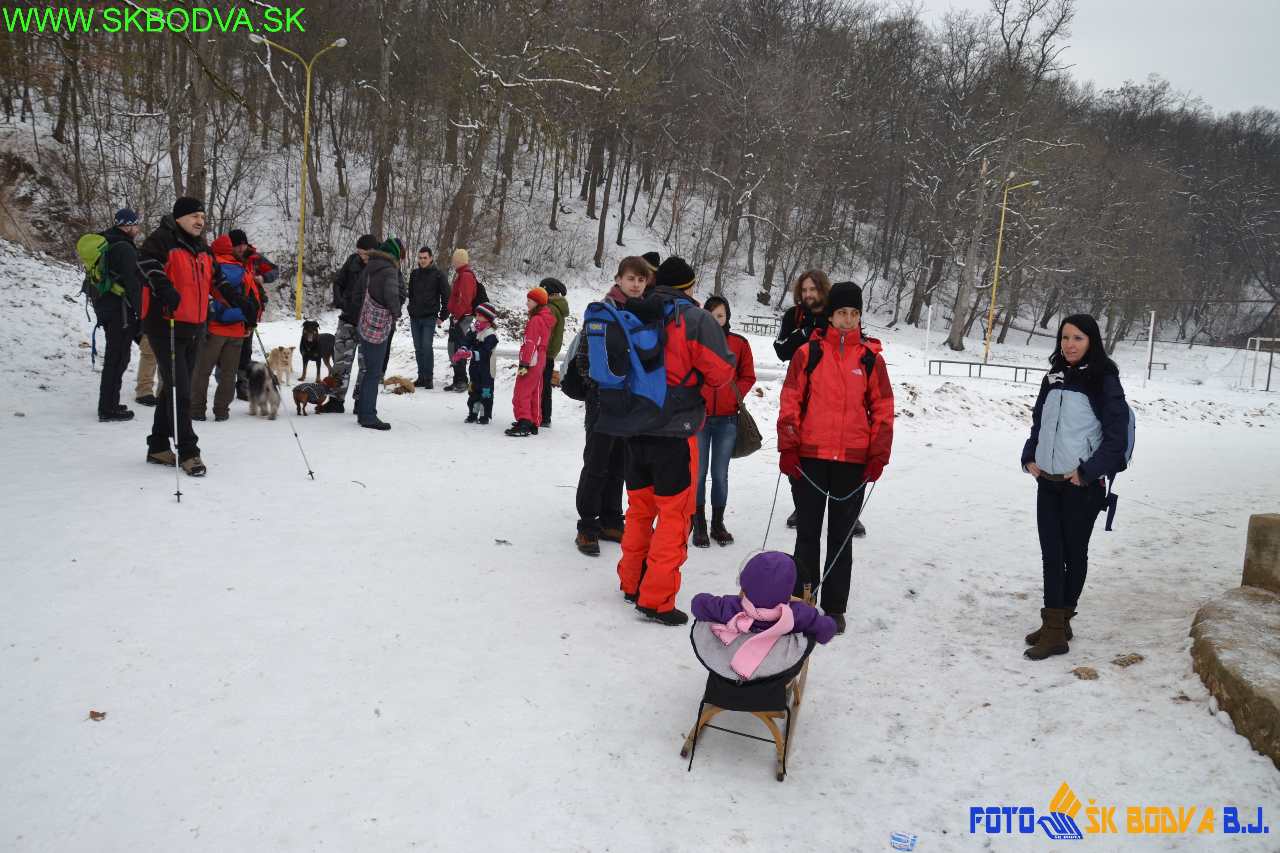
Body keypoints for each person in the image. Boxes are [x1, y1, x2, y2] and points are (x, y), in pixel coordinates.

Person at [613, 256, 736, 626]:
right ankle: (656, 600)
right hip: (676, 433)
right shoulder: (695, 320)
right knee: (674, 517)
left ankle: (631, 581)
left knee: (638, 510)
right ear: (690, 287)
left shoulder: (633, 313)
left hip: (635, 428)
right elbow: (721, 373)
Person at [777, 282, 893, 635]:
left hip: (853, 461)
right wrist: (788, 445)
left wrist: (878, 454)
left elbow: (883, 409)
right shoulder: (808, 353)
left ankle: (835, 606)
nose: (847, 319)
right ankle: (803, 597)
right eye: (842, 312)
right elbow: (790, 400)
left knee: (841, 537)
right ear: (830, 315)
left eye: (854, 313)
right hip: (810, 456)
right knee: (808, 533)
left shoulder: (871, 359)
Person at [1020, 314, 1130, 661]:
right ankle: (1055, 623)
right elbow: (1039, 422)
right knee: (1051, 555)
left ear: (1091, 341)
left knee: (1072, 554)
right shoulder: (1052, 376)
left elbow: (1117, 438)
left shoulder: (1104, 380)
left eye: (1078, 338)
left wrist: (1087, 471)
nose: (1069, 344)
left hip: (1082, 485)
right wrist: (1029, 454)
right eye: (1065, 337)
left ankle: (1060, 622)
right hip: (1048, 481)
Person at [137, 196, 257, 476]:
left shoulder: (201, 247)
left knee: (173, 386)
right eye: (193, 216)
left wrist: (239, 301)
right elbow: (147, 265)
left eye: (202, 216)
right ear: (179, 218)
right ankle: (189, 451)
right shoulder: (162, 240)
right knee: (181, 388)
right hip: (165, 324)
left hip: (195, 326)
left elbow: (217, 280)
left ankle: (157, 444)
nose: (199, 221)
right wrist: (163, 288)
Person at [568, 257, 651, 556]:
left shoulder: (644, 313)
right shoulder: (603, 311)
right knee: (597, 462)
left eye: (641, 280)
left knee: (620, 462)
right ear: (618, 279)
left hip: (630, 402)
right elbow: (585, 356)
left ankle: (612, 519)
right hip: (603, 400)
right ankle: (587, 525)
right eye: (631, 278)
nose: (636, 284)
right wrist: (596, 390)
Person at [773, 269, 844, 533]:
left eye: (813, 289)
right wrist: (804, 333)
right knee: (796, 450)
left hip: (833, 393)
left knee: (837, 452)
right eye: (804, 290)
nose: (808, 295)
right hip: (800, 393)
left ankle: (843, 506)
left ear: (823, 290)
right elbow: (780, 349)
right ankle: (802, 505)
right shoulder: (795, 316)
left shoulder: (836, 314)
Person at [691, 551, 839, 676]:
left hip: (727, 669)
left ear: (745, 583)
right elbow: (827, 629)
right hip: (774, 674)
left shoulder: (731, 606)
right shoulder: (797, 614)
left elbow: (698, 603)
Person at [692, 295, 756, 548]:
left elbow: (748, 375)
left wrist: (732, 393)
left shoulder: (739, 344)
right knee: (698, 474)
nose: (716, 321)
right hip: (699, 417)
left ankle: (718, 523)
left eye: (721, 315)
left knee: (720, 474)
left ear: (727, 316)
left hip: (727, 419)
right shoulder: (696, 342)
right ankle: (699, 524)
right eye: (711, 316)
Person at [190, 232, 261, 422]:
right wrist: (250, 322)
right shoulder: (242, 270)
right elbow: (252, 299)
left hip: (212, 328)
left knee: (202, 371)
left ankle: (197, 409)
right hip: (236, 328)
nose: (242, 249)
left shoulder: (208, 266)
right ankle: (221, 411)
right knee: (229, 373)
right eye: (239, 246)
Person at [92, 208, 143, 422]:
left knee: (116, 356)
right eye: (136, 225)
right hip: (121, 310)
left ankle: (110, 402)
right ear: (128, 225)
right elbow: (133, 284)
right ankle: (108, 409)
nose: (137, 229)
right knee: (118, 357)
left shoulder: (107, 240)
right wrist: (142, 312)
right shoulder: (125, 248)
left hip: (106, 307)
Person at [318, 234, 377, 413]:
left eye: (365, 254)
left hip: (370, 323)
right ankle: (336, 400)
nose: (362, 257)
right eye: (359, 253)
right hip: (348, 319)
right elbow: (338, 282)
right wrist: (340, 300)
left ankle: (361, 401)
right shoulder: (352, 261)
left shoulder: (382, 266)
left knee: (366, 365)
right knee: (340, 361)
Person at [353, 237, 405, 431]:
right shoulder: (390, 270)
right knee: (374, 372)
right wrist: (396, 313)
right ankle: (368, 415)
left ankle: (363, 409)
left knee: (367, 369)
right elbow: (392, 295)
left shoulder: (370, 267)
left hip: (364, 323)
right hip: (379, 326)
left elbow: (357, 293)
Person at [506, 286, 556, 437]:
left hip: (532, 358)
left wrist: (524, 363)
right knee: (535, 391)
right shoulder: (545, 319)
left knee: (522, 391)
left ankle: (524, 421)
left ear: (537, 303)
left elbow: (530, 343)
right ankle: (534, 420)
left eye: (529, 300)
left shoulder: (535, 320)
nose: (527, 303)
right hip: (540, 358)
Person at [234, 232, 277, 400]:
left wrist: (262, 277)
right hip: (229, 309)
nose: (240, 248)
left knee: (246, 349)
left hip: (250, 311)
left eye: (243, 244)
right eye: (237, 245)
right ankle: (224, 380)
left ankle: (242, 384)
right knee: (226, 350)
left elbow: (274, 270)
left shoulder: (255, 258)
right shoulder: (225, 258)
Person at [407, 245, 450, 389]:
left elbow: (446, 296)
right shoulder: (414, 274)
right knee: (418, 347)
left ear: (431, 258)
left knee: (426, 346)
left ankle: (428, 377)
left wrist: (443, 316)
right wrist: (410, 309)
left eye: (425, 258)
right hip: (415, 317)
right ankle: (421, 377)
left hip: (429, 317)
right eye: (420, 258)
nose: (422, 260)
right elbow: (411, 294)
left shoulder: (438, 275)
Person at [454, 301, 500, 424]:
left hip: (487, 369)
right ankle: (472, 413)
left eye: (480, 315)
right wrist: (463, 349)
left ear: (488, 318)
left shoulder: (491, 335)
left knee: (486, 392)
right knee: (473, 389)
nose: (476, 317)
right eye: (476, 315)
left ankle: (484, 415)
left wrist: (470, 354)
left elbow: (485, 352)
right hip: (475, 368)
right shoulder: (474, 330)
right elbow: (467, 341)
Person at [445, 248, 480, 392]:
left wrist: (457, 316)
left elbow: (465, 300)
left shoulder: (465, 276)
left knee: (458, 347)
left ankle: (462, 380)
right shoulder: (461, 274)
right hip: (459, 317)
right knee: (452, 348)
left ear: (460, 260)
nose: (453, 261)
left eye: (455, 259)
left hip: (462, 318)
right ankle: (457, 379)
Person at [541, 278, 569, 428]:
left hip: (544, 353)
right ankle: (545, 416)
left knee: (542, 386)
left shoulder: (550, 309)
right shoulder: (556, 307)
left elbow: (546, 333)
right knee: (545, 385)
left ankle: (544, 417)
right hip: (549, 354)